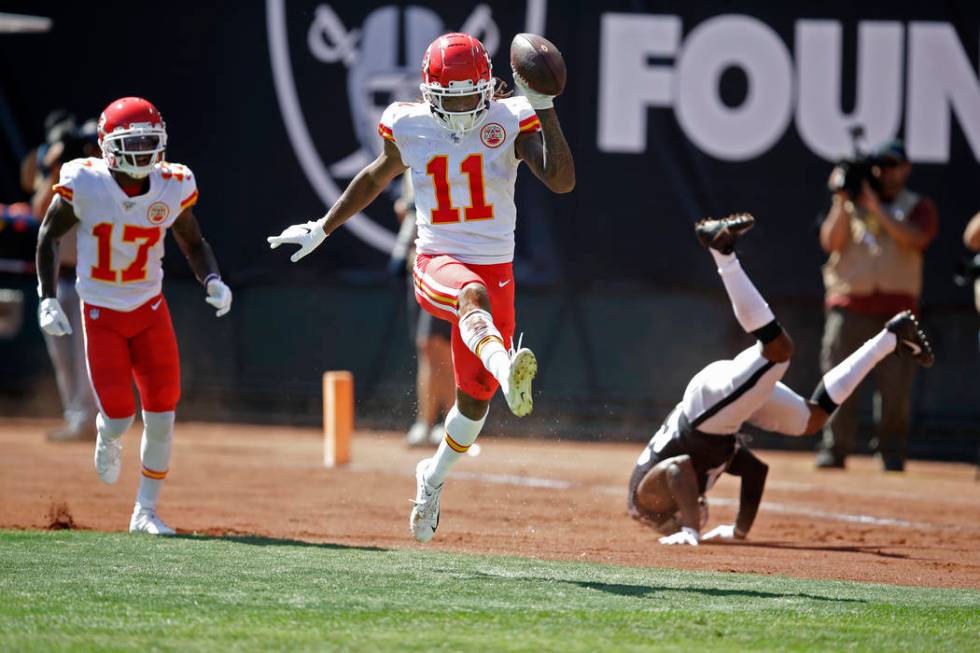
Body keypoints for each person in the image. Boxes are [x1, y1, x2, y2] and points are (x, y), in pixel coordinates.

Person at [268, 32, 575, 543]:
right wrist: (322, 227)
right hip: (438, 258)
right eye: (448, 96)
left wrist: (544, 107)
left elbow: (561, 181)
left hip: (497, 266)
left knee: (473, 404)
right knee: (469, 296)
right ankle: (507, 366)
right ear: (429, 91)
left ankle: (430, 481)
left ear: (487, 86)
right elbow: (373, 177)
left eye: (467, 95)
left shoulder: (511, 117)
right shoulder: (407, 123)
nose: (458, 108)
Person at [628, 213, 934, 546]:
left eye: (693, 512)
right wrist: (738, 531)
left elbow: (677, 471)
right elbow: (756, 472)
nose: (702, 511)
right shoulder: (701, 468)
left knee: (778, 349)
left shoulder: (646, 503)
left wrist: (689, 529)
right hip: (720, 417)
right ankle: (891, 338)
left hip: (707, 409)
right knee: (812, 418)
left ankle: (722, 254)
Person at [35, 97, 232, 535]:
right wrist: (46, 297)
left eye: (149, 141)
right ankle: (108, 434)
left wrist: (212, 279)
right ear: (107, 146)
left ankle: (145, 510)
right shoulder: (85, 182)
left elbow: (193, 242)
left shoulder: (171, 184)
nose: (143, 151)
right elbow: (48, 235)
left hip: (149, 309)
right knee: (121, 416)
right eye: (133, 142)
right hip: (102, 311)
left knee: (163, 415)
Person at [816, 139, 938, 471]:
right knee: (839, 380)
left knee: (895, 388)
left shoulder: (916, 205)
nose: (886, 173)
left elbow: (917, 239)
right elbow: (831, 242)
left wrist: (876, 208)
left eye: (893, 166)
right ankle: (835, 448)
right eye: (880, 167)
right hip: (849, 305)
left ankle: (891, 452)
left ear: (906, 169)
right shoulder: (850, 204)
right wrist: (842, 198)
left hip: (897, 313)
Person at [29, 114, 101, 441]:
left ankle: (92, 418)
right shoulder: (63, 177)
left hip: (91, 279)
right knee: (62, 356)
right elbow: (38, 210)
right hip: (58, 279)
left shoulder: (96, 178)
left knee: (87, 354)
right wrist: (56, 166)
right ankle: (76, 417)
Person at [388, 174, 455, 448]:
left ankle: (452, 424)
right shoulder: (408, 170)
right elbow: (405, 211)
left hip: (441, 263)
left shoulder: (445, 160)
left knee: (437, 343)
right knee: (425, 345)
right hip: (414, 265)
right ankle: (425, 423)